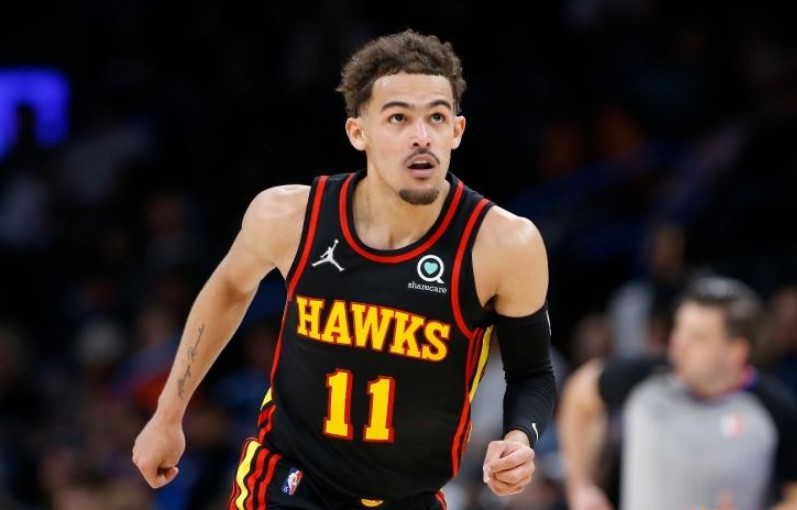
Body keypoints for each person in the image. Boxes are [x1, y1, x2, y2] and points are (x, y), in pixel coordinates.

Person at [132, 29, 557, 509]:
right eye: (398, 118)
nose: (421, 136)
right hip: (290, 480)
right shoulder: (291, 216)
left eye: (437, 117)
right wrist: (169, 414)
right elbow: (229, 288)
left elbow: (533, 372)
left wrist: (520, 439)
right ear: (358, 132)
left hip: (410, 497)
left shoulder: (504, 244)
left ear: (457, 131)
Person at [558, 275, 797, 510]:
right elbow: (580, 393)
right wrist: (580, 485)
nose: (679, 344)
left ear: (736, 351)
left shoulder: (774, 411)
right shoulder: (644, 379)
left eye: (697, 337)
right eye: (680, 329)